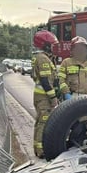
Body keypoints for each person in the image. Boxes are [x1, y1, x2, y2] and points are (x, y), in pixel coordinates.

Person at [31, 30, 60, 158]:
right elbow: (45, 81)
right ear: (46, 45)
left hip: (41, 96)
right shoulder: (42, 58)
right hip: (44, 97)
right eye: (52, 45)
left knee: (40, 121)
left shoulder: (44, 58)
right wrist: (53, 97)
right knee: (43, 121)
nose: (54, 47)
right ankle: (41, 149)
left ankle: (38, 147)